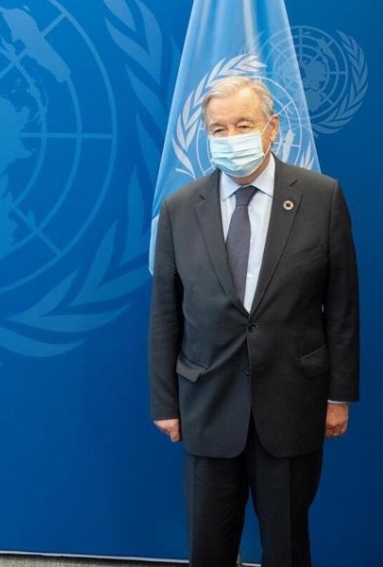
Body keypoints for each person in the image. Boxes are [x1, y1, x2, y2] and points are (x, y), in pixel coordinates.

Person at [149, 76, 359, 567]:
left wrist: (338, 396)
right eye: (218, 129)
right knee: (208, 549)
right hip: (207, 405)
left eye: (243, 125)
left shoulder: (322, 197)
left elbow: (343, 307)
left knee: (287, 547)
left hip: (292, 404)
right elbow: (164, 314)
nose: (231, 137)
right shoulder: (179, 209)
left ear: (272, 127)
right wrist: (165, 403)